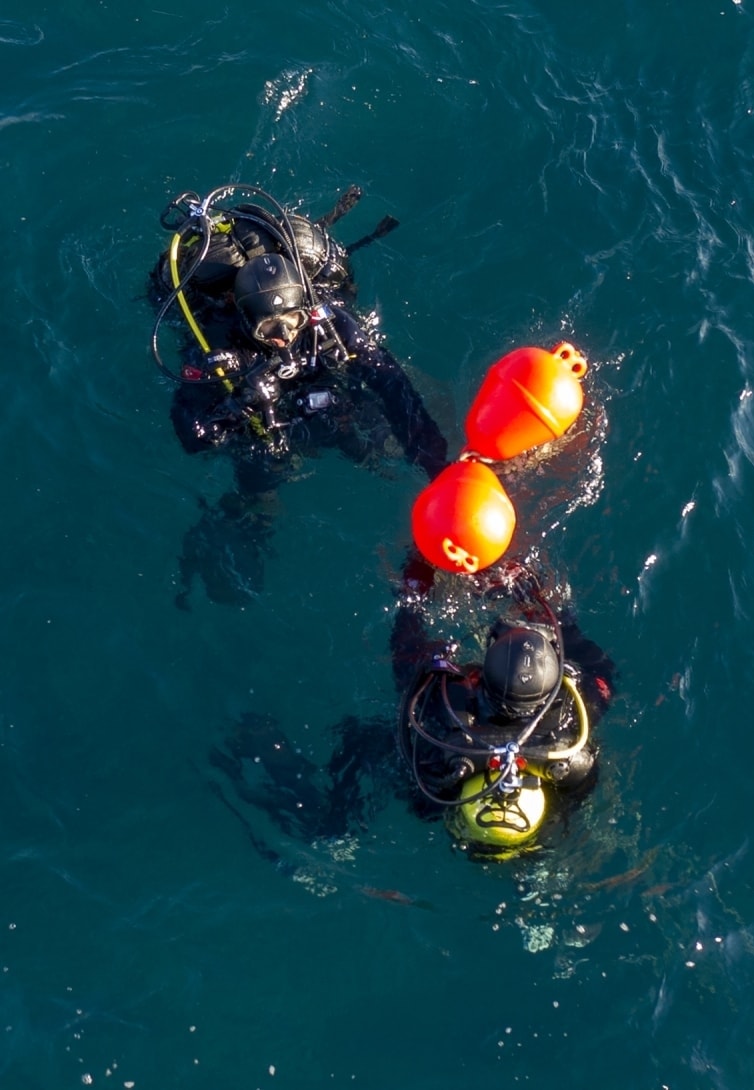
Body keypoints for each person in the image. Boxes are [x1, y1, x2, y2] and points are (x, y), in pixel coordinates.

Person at [149, 183, 449, 606]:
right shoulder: (221, 345)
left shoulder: (332, 323)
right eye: (268, 330)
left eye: (291, 322)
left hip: (325, 390)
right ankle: (253, 513)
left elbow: (392, 383)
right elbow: (191, 434)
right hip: (260, 412)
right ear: (243, 316)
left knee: (371, 429)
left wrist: (434, 460)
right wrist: (238, 403)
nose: (283, 337)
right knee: (263, 459)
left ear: (305, 307)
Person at [207, 554, 615, 862]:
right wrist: (529, 593)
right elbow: (601, 672)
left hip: (441, 791)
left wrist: (414, 583)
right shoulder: (572, 725)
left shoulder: (445, 710)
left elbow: (405, 652)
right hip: (528, 821)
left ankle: (333, 837)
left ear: (480, 677)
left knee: (365, 740)